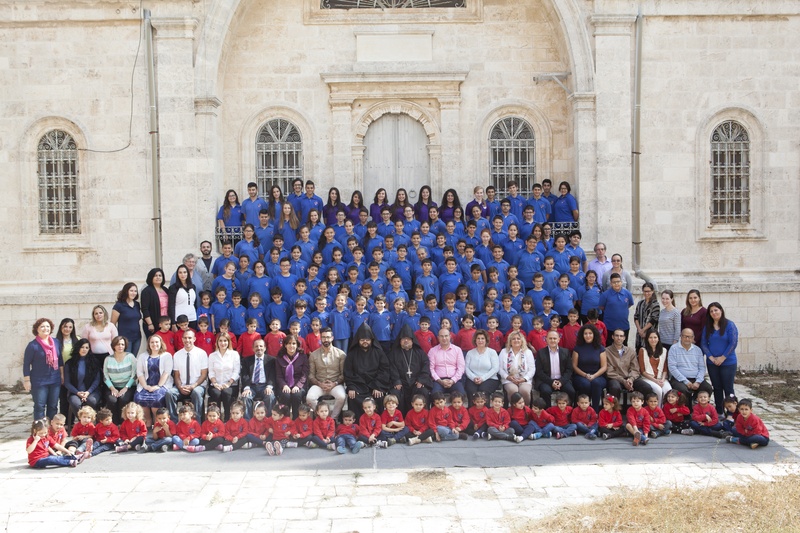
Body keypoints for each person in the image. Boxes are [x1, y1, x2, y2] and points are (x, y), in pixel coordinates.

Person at [344, 323, 392, 421]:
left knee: (379, 396)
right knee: (353, 397)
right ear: (358, 340)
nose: (365, 342)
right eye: (362, 340)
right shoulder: (352, 354)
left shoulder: (379, 353)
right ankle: (357, 424)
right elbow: (348, 372)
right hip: (358, 385)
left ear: (371, 340)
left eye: (367, 339)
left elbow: (384, 370)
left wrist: (378, 386)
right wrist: (352, 387)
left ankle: (377, 423)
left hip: (375, 385)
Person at [701, 302, 739, 414]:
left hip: (728, 362)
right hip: (712, 363)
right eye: (711, 311)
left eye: (716, 310)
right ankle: (719, 412)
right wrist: (711, 357)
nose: (714, 313)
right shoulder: (708, 326)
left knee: (728, 388)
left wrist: (723, 357)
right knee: (717, 387)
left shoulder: (729, 325)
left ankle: (731, 413)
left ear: (721, 310)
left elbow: (733, 342)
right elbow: (704, 343)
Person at [23, 318, 64, 421]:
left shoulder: (56, 342)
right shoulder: (32, 345)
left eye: (47, 326)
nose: (45, 328)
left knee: (53, 406)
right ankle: (40, 428)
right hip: (39, 381)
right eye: (42, 326)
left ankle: (50, 428)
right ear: (37, 329)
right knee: (40, 406)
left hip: (55, 380)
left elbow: (60, 361)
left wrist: (62, 375)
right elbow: (26, 364)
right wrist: (27, 381)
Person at [387, 324, 433, 413]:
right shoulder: (393, 354)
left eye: (408, 339)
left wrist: (421, 380)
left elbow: (426, 366)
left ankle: (422, 418)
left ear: (412, 340)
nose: (406, 340)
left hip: (416, 382)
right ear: (400, 341)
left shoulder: (420, 353)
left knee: (423, 391)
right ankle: (398, 418)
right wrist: (396, 381)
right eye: (403, 339)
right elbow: (391, 368)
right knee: (395, 393)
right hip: (401, 383)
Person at [168, 330, 209, 423]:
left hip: (197, 385)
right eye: (185, 338)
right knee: (170, 393)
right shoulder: (177, 355)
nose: (187, 340)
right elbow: (176, 375)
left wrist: (193, 386)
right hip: (182, 386)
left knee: (196, 393)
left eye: (190, 338)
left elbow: (204, 374)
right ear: (182, 339)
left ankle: (196, 423)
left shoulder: (201, 354)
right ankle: (173, 422)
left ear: (194, 339)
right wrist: (180, 387)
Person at [306, 328, 347, 419]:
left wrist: (334, 383)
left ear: (332, 338)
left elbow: (343, 374)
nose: (326, 340)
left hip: (335, 384)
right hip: (319, 384)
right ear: (320, 338)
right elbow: (311, 375)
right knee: (309, 397)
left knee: (341, 396)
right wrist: (319, 383)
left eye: (328, 337)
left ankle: (332, 419)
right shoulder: (313, 355)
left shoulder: (341, 354)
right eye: (323, 337)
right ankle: (321, 418)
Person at [667, 328, 713, 408]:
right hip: (679, 379)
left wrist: (698, 381)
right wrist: (685, 381)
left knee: (707, 388)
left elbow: (702, 368)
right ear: (681, 336)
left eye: (689, 337)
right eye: (685, 336)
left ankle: (699, 406)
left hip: (695, 378)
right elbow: (672, 368)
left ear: (693, 338)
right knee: (683, 390)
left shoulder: (697, 350)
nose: (687, 339)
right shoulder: (673, 349)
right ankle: (687, 412)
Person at [134, 335, 173, 427]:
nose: (154, 344)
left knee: (157, 399)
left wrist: (158, 386)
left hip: (162, 385)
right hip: (146, 385)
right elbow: (140, 373)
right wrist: (145, 386)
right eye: (152, 342)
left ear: (161, 343)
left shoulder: (167, 356)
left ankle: (157, 421)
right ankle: (148, 420)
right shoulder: (142, 356)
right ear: (149, 344)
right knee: (139, 398)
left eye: (156, 342)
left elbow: (166, 372)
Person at [604, 329, 651, 400]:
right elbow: (609, 371)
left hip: (630, 378)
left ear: (624, 338)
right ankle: (616, 407)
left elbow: (635, 369)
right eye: (617, 336)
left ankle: (641, 407)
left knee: (646, 387)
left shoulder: (630, 351)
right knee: (614, 387)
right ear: (612, 337)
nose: (619, 338)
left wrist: (631, 379)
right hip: (615, 379)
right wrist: (623, 381)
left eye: (621, 336)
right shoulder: (606, 351)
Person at [572, 324, 607, 412]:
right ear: (582, 335)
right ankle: (584, 411)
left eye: (590, 333)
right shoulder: (577, 348)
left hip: (598, 376)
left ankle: (595, 411)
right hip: (581, 376)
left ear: (594, 334)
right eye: (585, 333)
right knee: (585, 384)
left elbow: (604, 366)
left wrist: (594, 376)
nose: (588, 336)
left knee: (596, 383)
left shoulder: (600, 348)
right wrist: (585, 375)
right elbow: (574, 366)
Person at [534, 330, 576, 405]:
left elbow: (569, 369)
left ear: (558, 339)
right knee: (545, 391)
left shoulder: (566, 352)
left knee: (571, 391)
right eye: (550, 338)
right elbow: (539, 371)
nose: (552, 340)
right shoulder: (541, 352)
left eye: (554, 338)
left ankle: (568, 410)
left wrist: (561, 381)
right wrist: (551, 382)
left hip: (562, 380)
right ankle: (548, 411)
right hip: (546, 380)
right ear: (546, 339)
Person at [102, 336, 137, 424]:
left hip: (128, 386)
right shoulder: (108, 359)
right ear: (114, 346)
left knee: (123, 400)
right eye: (118, 344)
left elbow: (134, 375)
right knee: (112, 400)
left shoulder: (130, 357)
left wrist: (126, 388)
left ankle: (123, 424)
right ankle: (114, 424)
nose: (120, 346)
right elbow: (105, 376)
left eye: (122, 344)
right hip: (113, 386)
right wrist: (112, 388)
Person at [207, 333, 241, 421]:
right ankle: (216, 420)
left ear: (228, 342)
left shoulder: (234, 354)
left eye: (225, 341)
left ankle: (227, 419)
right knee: (216, 393)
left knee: (226, 393)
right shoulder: (212, 355)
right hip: (216, 384)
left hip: (231, 385)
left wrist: (228, 383)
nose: (223, 343)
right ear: (217, 342)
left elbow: (236, 371)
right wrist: (215, 383)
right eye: (220, 341)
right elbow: (211, 372)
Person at [64, 339, 102, 416]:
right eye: (82, 347)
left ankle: (90, 421)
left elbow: (97, 380)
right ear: (78, 348)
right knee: (75, 403)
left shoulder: (94, 362)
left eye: (86, 347)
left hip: (91, 391)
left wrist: (88, 392)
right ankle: (82, 422)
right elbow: (67, 383)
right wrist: (78, 393)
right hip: (75, 392)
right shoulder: (69, 363)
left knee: (91, 401)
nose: (84, 349)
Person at [274, 335, 309, 418]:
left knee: (296, 395)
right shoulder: (279, 358)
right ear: (285, 345)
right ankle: (285, 419)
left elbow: (304, 374)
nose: (291, 346)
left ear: (297, 345)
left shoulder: (303, 357)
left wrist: (298, 386)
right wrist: (284, 385)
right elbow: (278, 375)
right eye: (289, 343)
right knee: (286, 395)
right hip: (284, 384)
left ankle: (296, 419)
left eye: (293, 343)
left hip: (299, 384)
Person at [497, 331, 536, 406]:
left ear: (522, 341)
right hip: (509, 379)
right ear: (510, 341)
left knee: (524, 390)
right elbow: (499, 368)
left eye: (518, 338)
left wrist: (524, 379)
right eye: (513, 339)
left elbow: (532, 369)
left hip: (524, 379)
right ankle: (514, 409)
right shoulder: (504, 352)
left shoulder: (528, 352)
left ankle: (525, 409)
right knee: (513, 390)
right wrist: (507, 377)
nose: (516, 340)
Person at [240, 339, 276, 419]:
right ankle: (248, 422)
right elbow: (245, 375)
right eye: (256, 346)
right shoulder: (246, 360)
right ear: (253, 348)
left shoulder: (272, 360)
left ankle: (268, 421)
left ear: (265, 348)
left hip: (265, 386)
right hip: (251, 386)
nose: (259, 348)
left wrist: (269, 386)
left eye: (261, 346)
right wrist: (246, 388)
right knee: (246, 397)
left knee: (270, 396)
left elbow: (272, 375)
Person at [428, 328, 467, 397]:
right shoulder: (432, 351)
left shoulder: (457, 350)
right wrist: (440, 381)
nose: (444, 338)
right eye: (441, 336)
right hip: (438, 380)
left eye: (446, 336)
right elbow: (431, 368)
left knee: (461, 395)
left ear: (450, 336)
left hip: (454, 380)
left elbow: (461, 368)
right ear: (438, 338)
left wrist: (453, 380)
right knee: (435, 395)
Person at [463, 329, 500, 402]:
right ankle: (471, 409)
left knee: (483, 391)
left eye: (482, 338)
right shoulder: (470, 353)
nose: (480, 340)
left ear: (486, 340)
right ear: (475, 340)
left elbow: (495, 368)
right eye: (478, 338)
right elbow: (466, 368)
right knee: (471, 391)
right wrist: (473, 378)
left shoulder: (492, 352)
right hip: (472, 379)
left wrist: (482, 378)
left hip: (490, 378)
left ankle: (486, 409)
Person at [598, 273, 634, 346]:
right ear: (611, 283)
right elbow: (601, 307)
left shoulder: (627, 293)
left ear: (621, 282)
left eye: (618, 281)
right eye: (614, 282)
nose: (616, 284)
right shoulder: (605, 295)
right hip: (609, 326)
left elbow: (629, 304)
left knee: (623, 347)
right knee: (609, 347)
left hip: (624, 326)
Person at [637, 331, 671, 405]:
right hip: (648, 378)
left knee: (668, 390)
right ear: (647, 339)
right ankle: (657, 409)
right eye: (650, 338)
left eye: (655, 337)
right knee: (658, 390)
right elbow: (642, 371)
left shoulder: (664, 350)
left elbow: (665, 369)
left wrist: (662, 380)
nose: (653, 340)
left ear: (658, 339)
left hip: (661, 378)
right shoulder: (642, 350)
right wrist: (655, 381)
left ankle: (665, 410)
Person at [111, 282, 143, 356]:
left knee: (133, 358)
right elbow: (112, 324)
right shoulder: (119, 305)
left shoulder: (137, 304)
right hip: (124, 338)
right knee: (125, 358)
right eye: (131, 291)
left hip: (137, 337)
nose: (133, 293)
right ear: (126, 291)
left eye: (135, 291)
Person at [141, 268, 169, 339]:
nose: (158, 277)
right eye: (155, 275)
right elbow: (145, 309)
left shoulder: (166, 290)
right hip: (153, 323)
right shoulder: (146, 291)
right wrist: (150, 324)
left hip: (165, 323)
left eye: (160, 275)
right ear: (151, 277)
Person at [168, 264, 198, 329]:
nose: (183, 274)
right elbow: (171, 306)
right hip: (179, 319)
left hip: (192, 318)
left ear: (187, 273)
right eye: (180, 272)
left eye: (184, 272)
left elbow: (195, 304)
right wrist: (173, 323)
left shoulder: (193, 287)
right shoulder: (173, 288)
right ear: (177, 274)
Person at [633, 282, 659, 351]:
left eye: (648, 291)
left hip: (650, 334)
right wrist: (639, 330)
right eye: (645, 291)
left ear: (652, 291)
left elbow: (654, 320)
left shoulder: (655, 304)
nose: (646, 293)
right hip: (639, 334)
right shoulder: (640, 303)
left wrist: (643, 330)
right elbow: (636, 317)